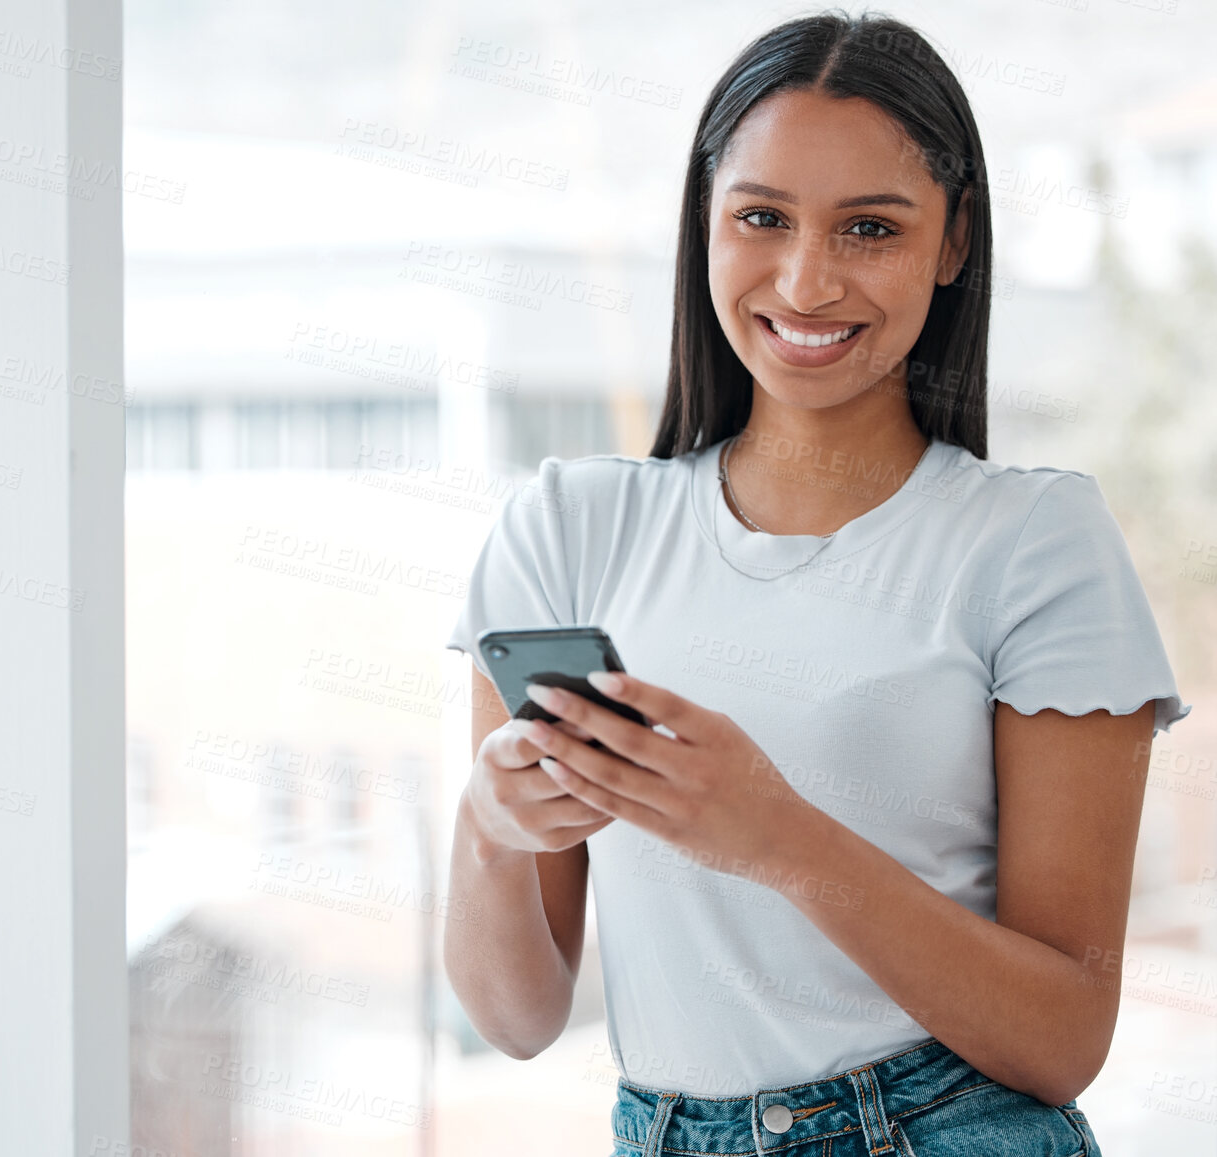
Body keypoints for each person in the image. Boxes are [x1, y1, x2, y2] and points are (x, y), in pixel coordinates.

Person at [441, 10, 1188, 1157]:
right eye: (760, 217)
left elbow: (1061, 1036)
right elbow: (517, 1017)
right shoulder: (564, 529)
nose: (804, 279)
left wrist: (774, 834)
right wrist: (491, 825)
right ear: (703, 221)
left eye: (869, 229)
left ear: (951, 243)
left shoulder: (1034, 540)